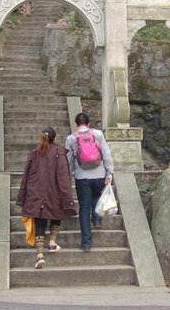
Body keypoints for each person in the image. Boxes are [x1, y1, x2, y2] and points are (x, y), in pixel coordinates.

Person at [16, 126, 76, 269]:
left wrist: (22, 195)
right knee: (57, 215)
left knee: (40, 222)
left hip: (36, 193)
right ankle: (52, 242)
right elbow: (63, 177)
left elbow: (26, 175)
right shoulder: (59, 153)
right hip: (54, 193)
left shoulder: (35, 153)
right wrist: (67, 196)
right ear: (55, 138)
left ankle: (40, 255)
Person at [65, 112, 114, 252]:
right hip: (99, 175)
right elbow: (106, 154)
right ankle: (97, 219)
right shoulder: (98, 134)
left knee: (84, 208)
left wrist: (68, 177)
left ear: (76, 125)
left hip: (82, 177)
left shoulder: (71, 138)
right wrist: (109, 172)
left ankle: (86, 243)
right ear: (89, 123)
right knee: (97, 197)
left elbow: (68, 160)